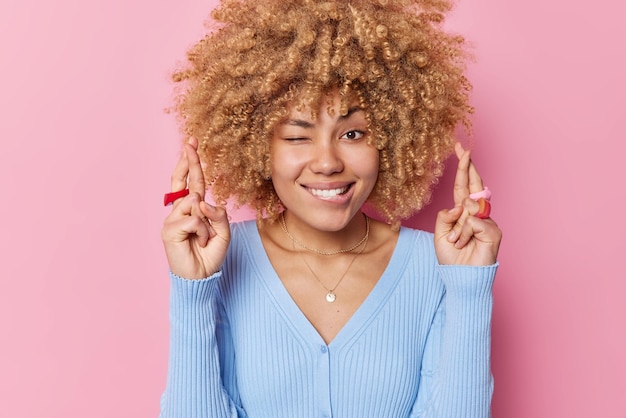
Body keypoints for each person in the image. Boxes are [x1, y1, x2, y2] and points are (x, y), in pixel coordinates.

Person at [159, 0, 502, 417]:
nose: (327, 162)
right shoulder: (221, 260)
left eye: (353, 133)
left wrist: (469, 286)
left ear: (391, 139)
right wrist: (193, 289)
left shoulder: (435, 266)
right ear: (257, 147)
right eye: (297, 136)